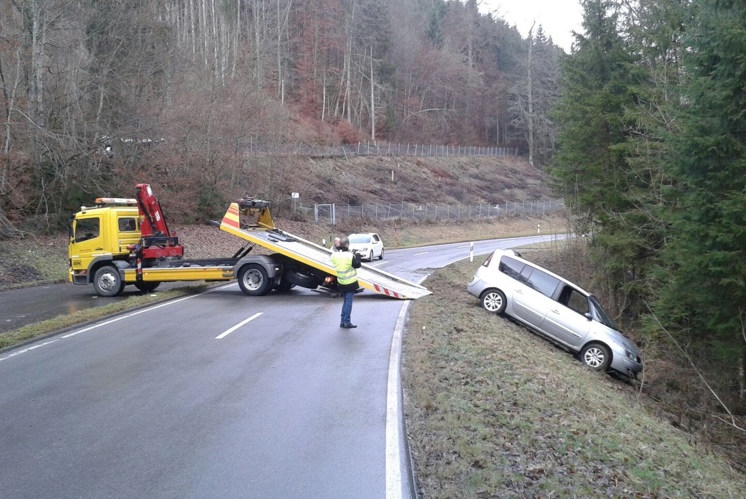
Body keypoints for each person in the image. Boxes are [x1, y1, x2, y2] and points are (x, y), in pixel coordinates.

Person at [330, 236, 361, 328]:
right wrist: (357, 255)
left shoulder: (334, 255)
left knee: (345, 301)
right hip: (350, 282)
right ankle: (347, 321)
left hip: (341, 282)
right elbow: (357, 265)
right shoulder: (350, 256)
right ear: (347, 244)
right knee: (348, 302)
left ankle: (342, 321)